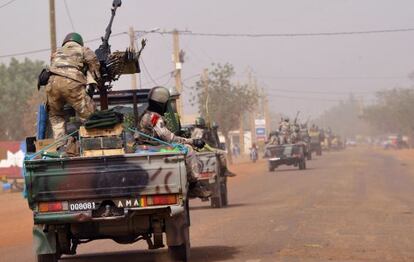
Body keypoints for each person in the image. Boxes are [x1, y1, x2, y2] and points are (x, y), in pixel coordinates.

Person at [139, 86, 211, 198]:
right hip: (151, 147)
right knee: (188, 149)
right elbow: (169, 138)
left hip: (149, 145)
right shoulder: (154, 117)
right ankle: (194, 185)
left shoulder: (149, 115)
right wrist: (192, 141)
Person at [46, 32, 101, 139]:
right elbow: (93, 63)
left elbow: (55, 66)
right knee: (89, 114)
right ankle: (92, 142)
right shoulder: (83, 49)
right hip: (71, 84)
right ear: (79, 42)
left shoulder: (56, 52)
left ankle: (60, 145)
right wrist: (96, 76)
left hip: (52, 85)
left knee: (56, 116)